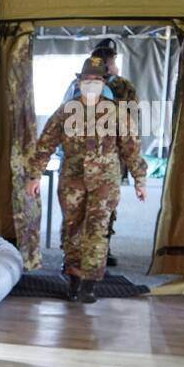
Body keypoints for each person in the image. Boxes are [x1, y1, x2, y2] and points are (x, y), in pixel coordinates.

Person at [26, 55, 147, 303]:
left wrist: (140, 180)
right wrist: (35, 175)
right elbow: (44, 145)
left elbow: (131, 147)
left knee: (98, 229)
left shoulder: (116, 113)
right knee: (73, 229)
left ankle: (90, 283)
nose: (91, 83)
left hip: (105, 180)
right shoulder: (66, 112)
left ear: (104, 82)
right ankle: (73, 277)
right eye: (86, 79)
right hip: (72, 179)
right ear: (79, 82)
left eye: (96, 79)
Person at [60, 39, 138, 267]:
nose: (112, 66)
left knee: (102, 208)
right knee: (76, 208)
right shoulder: (81, 86)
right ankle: (74, 255)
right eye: (110, 62)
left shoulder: (122, 87)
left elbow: (131, 121)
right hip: (83, 158)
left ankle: (100, 249)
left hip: (107, 156)